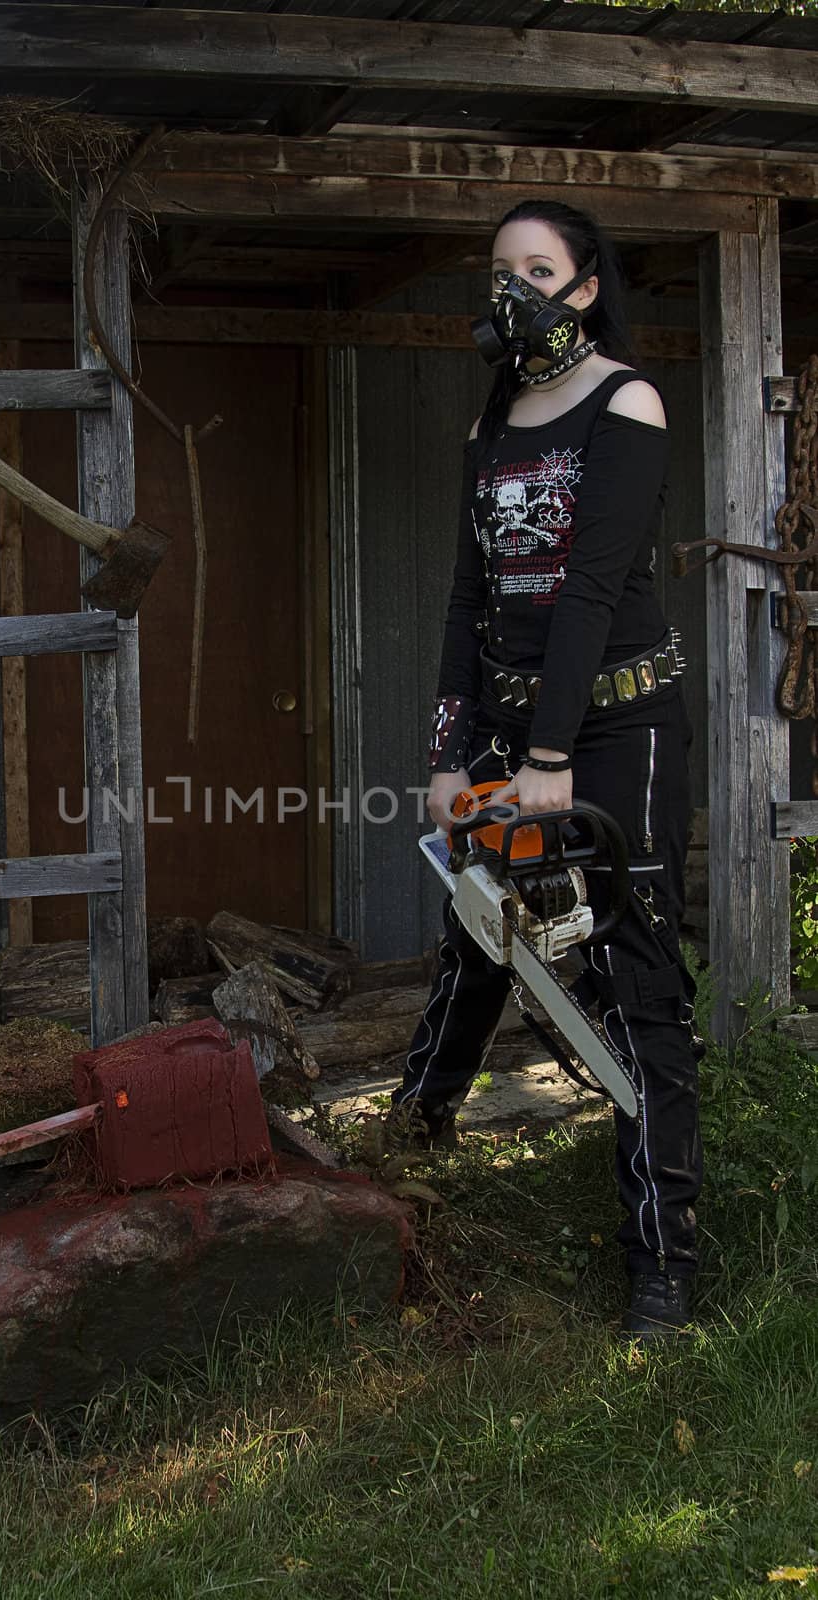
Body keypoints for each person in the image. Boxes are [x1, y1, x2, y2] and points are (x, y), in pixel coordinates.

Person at [389, 197, 702, 1344]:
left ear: (581, 287)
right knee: (477, 938)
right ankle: (405, 1154)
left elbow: (588, 588)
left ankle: (662, 1266)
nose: (509, 288)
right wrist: (445, 758)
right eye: (496, 270)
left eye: (535, 268)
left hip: (614, 731)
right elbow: (468, 598)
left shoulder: (625, 401)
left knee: (634, 976)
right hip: (503, 735)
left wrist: (550, 760)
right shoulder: (493, 424)